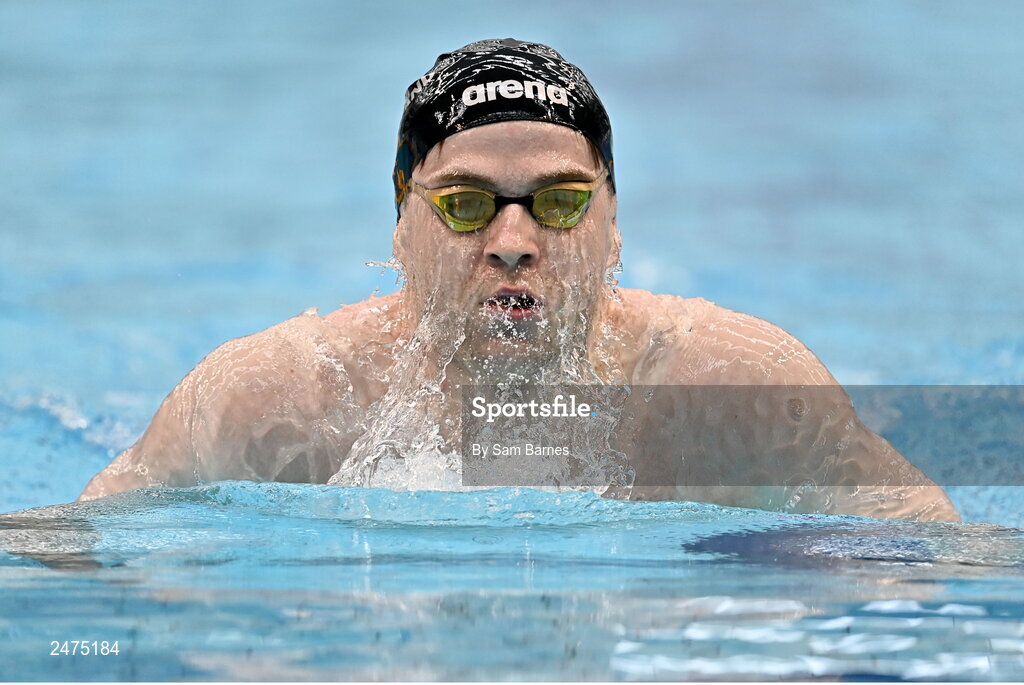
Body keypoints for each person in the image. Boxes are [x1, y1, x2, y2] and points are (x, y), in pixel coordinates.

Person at [79, 39, 959, 522]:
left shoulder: (734, 388)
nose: (512, 240)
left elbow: (937, 564)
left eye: (560, 202)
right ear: (401, 218)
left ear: (615, 219)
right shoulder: (278, 402)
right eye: (464, 203)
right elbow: (65, 566)